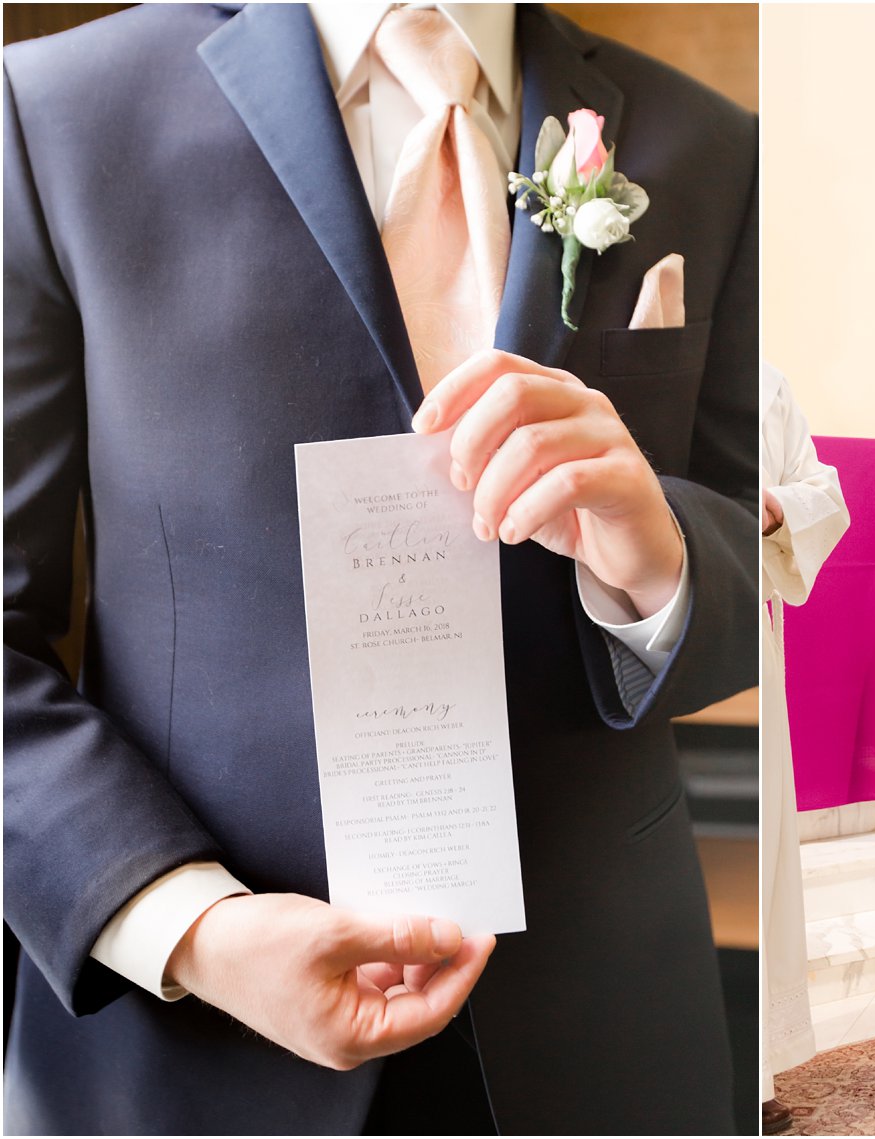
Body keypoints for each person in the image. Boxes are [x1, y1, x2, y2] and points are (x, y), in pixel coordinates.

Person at [3, 4, 757, 1133]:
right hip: (192, 1038)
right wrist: (192, 927)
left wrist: (661, 562)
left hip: (606, 1029)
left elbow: (757, 550)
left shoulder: (710, 141)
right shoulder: (53, 107)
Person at [759, 363, 850, 1135]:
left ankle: (749, 1071)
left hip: (742, 627)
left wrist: (770, 508)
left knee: (755, 848)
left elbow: (822, 490)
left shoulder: (764, 379)